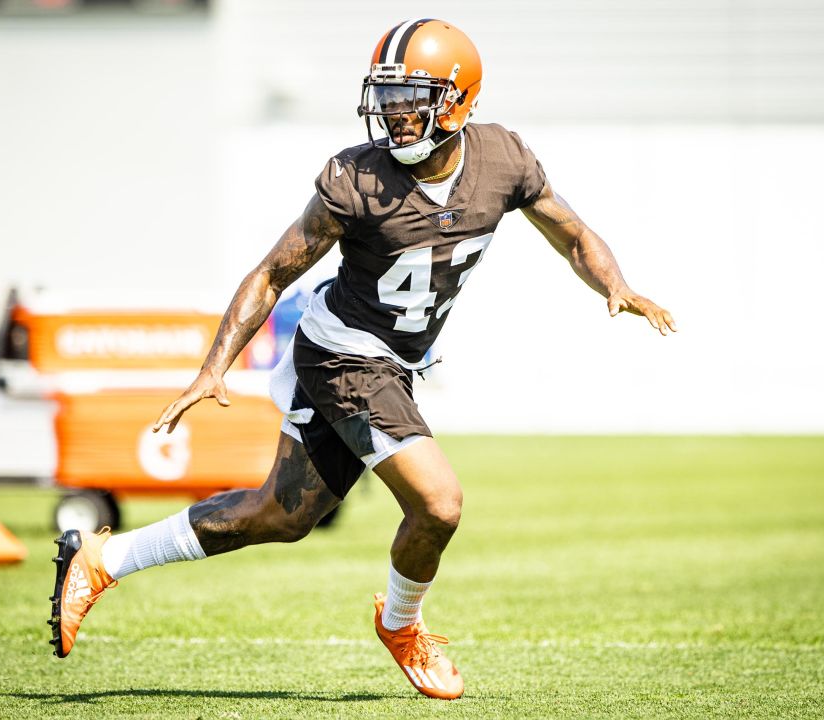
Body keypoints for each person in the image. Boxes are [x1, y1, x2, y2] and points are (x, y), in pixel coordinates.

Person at [48, 19, 676, 700]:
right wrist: (214, 365)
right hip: (345, 356)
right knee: (439, 503)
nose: (396, 115)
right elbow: (269, 275)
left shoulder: (504, 160)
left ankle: (102, 559)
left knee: (281, 516)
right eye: (388, 96)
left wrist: (615, 285)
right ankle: (402, 624)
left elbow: (574, 233)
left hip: (387, 362)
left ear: (459, 101)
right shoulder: (356, 179)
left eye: (412, 97)